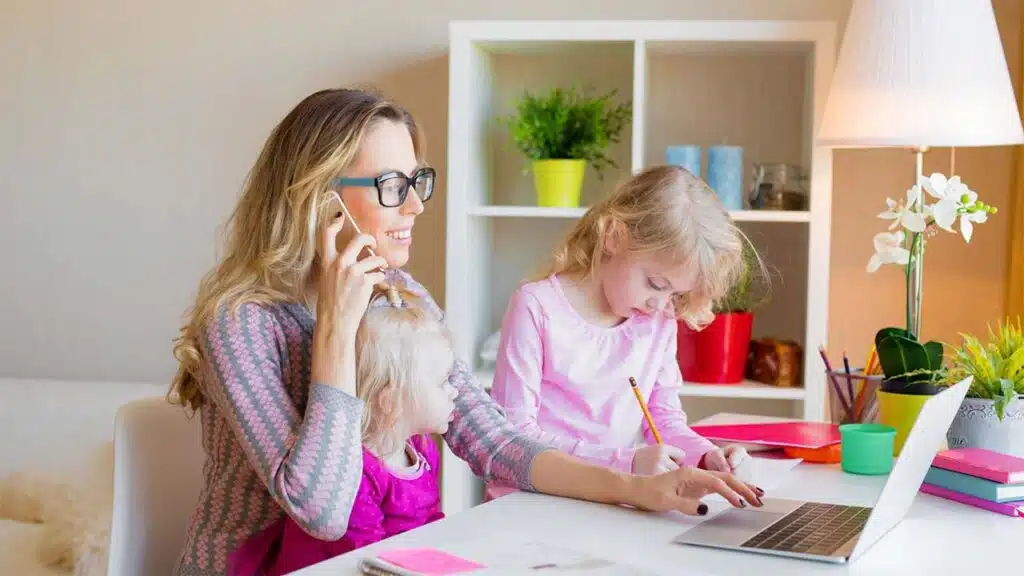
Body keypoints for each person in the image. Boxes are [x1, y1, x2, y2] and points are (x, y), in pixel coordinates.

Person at [168, 88, 762, 576]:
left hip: (367, 563)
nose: (417, 207)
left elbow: (496, 444)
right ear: (320, 202)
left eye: (416, 182)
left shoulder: (403, 299)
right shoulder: (242, 322)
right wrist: (336, 328)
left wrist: (638, 488)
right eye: (392, 187)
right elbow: (322, 512)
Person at [488, 166, 756, 499]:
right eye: (656, 284)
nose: (660, 304)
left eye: (676, 294)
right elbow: (514, 437)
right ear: (614, 237)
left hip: (609, 499)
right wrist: (625, 463)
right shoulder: (537, 306)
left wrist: (704, 455)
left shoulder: (658, 320)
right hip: (530, 500)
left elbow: (664, 421)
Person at [227, 285, 455, 575]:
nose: (453, 392)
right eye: (442, 382)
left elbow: (431, 525)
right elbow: (365, 561)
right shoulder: (356, 472)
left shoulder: (422, 450)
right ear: (390, 399)